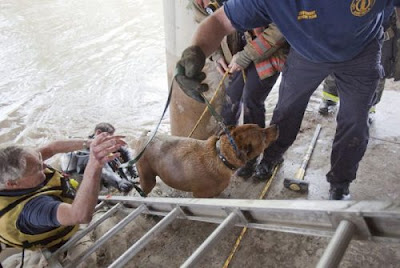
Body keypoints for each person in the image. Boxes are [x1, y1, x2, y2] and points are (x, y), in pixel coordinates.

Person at [175, 0, 400, 200]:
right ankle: (271, 158)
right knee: (286, 111)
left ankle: (340, 183)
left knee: (355, 123)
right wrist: (195, 52)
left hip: (361, 53)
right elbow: (219, 22)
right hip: (306, 55)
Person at [193, 0, 289, 180]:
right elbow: (204, 23)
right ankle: (226, 150)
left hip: (268, 51)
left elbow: (280, 28)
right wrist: (217, 55)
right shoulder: (199, 1)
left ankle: (254, 155)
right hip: (234, 55)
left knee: (252, 99)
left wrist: (246, 55)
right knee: (231, 100)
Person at [0, 133, 125, 255]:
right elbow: (79, 215)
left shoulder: (23, 165)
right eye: (37, 169)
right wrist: (95, 164)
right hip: (60, 238)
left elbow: (52, 148)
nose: (44, 165)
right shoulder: (31, 211)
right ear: (12, 183)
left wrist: (90, 144)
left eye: (40, 160)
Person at [319, 9, 399, 124]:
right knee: (339, 60)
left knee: (378, 70)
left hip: (384, 28)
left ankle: (368, 108)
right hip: (352, 21)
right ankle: (330, 98)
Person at [62, 123, 136, 193]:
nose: (110, 139)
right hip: (86, 177)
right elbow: (104, 170)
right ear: (98, 132)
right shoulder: (88, 152)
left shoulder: (102, 143)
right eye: (109, 136)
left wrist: (132, 169)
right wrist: (119, 182)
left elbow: (125, 151)